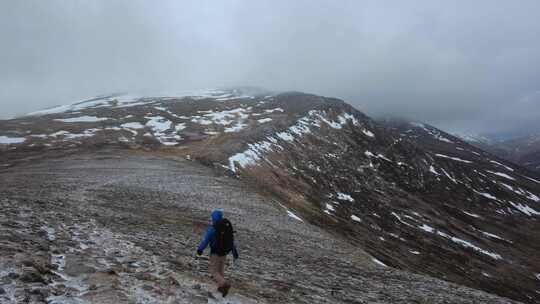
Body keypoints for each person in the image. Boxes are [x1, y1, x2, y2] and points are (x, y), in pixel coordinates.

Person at [196, 210, 239, 297]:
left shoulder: (213, 228)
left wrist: (199, 250)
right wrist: (234, 253)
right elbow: (231, 241)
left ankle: (224, 284)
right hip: (224, 253)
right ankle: (221, 290)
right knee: (220, 272)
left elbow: (205, 240)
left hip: (215, 253)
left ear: (213, 218)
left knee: (214, 272)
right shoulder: (227, 228)